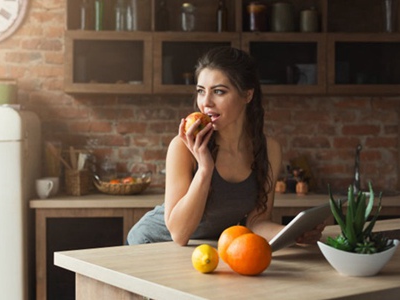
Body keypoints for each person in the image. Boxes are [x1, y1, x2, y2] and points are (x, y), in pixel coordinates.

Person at [127, 46, 324, 246]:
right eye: (201, 91)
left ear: (247, 95)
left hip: (203, 251)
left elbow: (257, 222)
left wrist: (295, 234)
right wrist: (205, 169)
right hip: (152, 244)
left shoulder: (268, 150)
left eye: (219, 91)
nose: (206, 103)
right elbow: (179, 234)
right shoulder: (183, 146)